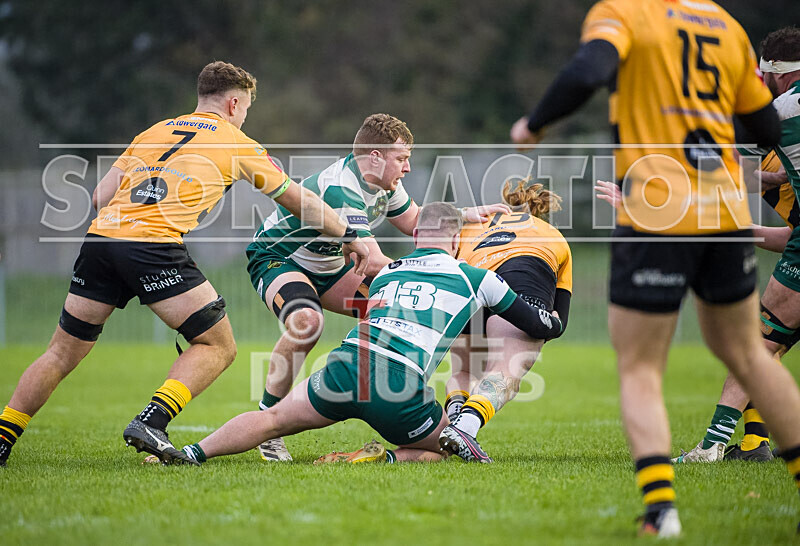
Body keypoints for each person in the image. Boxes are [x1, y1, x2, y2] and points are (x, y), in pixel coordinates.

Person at [511, 0, 800, 537]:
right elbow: (763, 124)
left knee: (641, 368)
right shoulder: (724, 24)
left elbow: (587, 70)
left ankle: (661, 511)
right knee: (753, 356)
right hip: (725, 211)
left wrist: (533, 124)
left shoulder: (623, 13)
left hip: (659, 210)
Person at [0, 61, 370, 467]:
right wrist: (348, 235)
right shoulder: (236, 142)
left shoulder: (153, 132)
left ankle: (3, 436)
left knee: (60, 353)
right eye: (245, 109)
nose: (244, 117)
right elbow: (296, 199)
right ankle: (151, 422)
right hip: (153, 246)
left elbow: (99, 198)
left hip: (102, 240)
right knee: (218, 345)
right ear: (233, 104)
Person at [168, 202, 563, 466]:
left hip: (344, 366)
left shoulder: (386, 273)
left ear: (415, 237)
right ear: (457, 240)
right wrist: (557, 316)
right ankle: (379, 458)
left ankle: (189, 453)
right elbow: (534, 322)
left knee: (271, 419)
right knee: (451, 448)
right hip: (399, 387)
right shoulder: (477, 277)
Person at [246, 113, 509, 461]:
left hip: (332, 267)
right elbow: (371, 261)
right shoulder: (342, 189)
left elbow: (414, 221)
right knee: (307, 323)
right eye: (401, 159)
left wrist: (465, 214)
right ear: (375, 157)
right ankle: (269, 423)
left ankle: (390, 398)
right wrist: (443, 274)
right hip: (281, 258)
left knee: (396, 308)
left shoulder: (384, 185)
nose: (408, 168)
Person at [669, 27, 800, 464]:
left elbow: (712, 154)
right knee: (769, 345)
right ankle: (753, 442)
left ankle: (714, 444)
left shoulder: (781, 112)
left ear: (775, 74)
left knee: (755, 346)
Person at [437, 178, 571, 462]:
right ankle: (464, 429)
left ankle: (454, 424)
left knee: (464, 369)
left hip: (470, 277)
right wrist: (553, 326)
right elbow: (558, 316)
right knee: (507, 370)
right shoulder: (551, 234)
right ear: (538, 213)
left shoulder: (471, 225)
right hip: (525, 270)